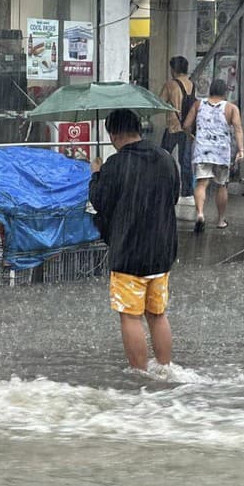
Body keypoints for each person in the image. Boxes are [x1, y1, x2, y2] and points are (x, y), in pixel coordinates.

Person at [89, 109, 179, 371]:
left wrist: (96, 174)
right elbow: (174, 196)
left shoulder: (115, 165)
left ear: (113, 134)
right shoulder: (164, 157)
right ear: (138, 129)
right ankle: (165, 369)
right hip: (161, 252)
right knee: (157, 314)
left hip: (129, 252)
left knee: (130, 316)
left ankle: (140, 375)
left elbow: (100, 202)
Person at [183, 78, 244, 231]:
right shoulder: (231, 108)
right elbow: (238, 129)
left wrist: (191, 136)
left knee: (201, 183)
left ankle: (200, 214)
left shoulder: (198, 105)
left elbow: (185, 125)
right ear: (225, 92)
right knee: (221, 185)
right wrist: (241, 149)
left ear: (210, 90)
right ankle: (221, 220)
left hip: (202, 150)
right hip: (221, 152)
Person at [158, 55, 196, 198]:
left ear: (174, 69)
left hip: (173, 127)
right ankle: (187, 192)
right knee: (185, 161)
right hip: (187, 128)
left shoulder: (170, 85)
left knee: (162, 157)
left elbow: (160, 101)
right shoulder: (192, 84)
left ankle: (164, 186)